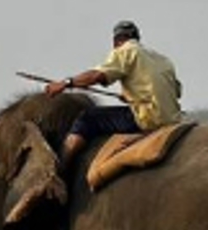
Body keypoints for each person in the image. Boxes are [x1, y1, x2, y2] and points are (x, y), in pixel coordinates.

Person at [44, 20, 183, 175]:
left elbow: (97, 75)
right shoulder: (163, 60)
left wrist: (66, 83)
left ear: (116, 41)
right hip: (172, 119)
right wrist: (132, 95)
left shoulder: (125, 50)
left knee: (88, 118)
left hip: (148, 119)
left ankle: (59, 171)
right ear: (137, 37)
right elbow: (176, 91)